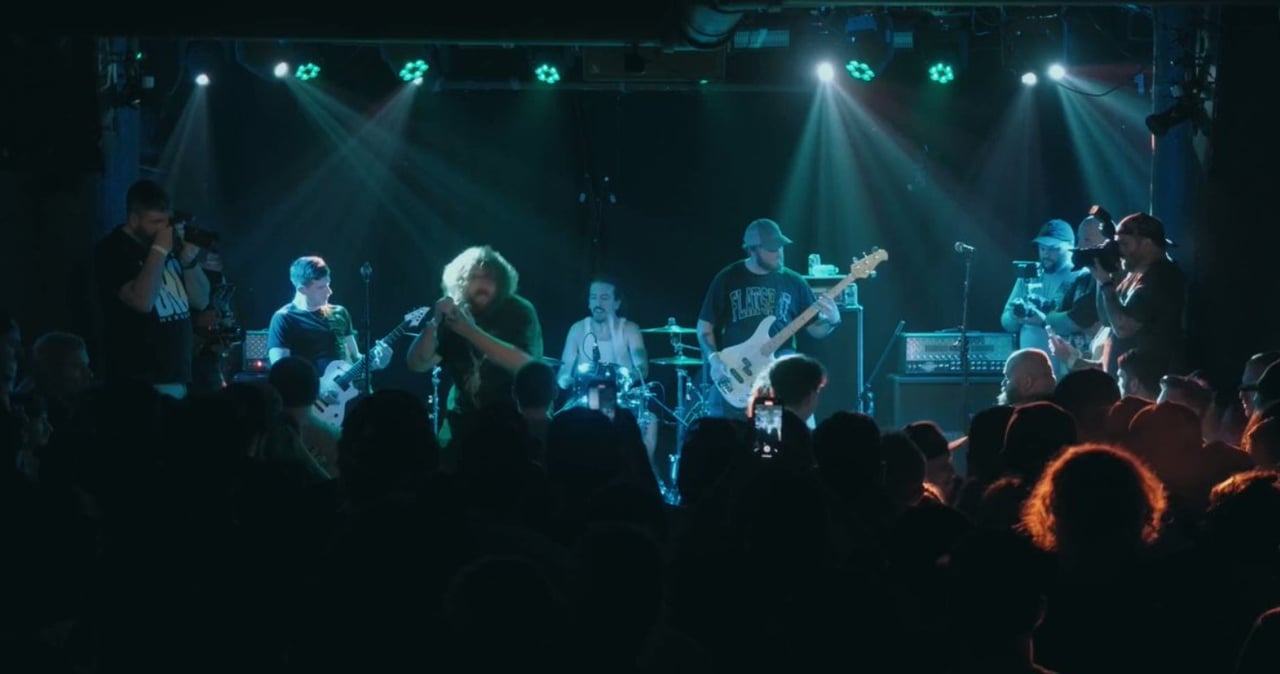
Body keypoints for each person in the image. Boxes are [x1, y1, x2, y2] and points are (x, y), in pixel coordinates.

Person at [696, 218, 841, 420]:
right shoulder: (728, 278)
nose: (779, 253)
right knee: (729, 441)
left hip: (776, 380)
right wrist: (713, 360)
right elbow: (704, 328)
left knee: (768, 443)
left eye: (781, 246)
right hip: (736, 373)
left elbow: (815, 329)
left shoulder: (795, 282)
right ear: (752, 250)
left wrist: (833, 321)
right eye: (772, 248)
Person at [406, 245, 543, 450]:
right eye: (473, 277)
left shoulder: (518, 311)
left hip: (511, 427)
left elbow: (525, 365)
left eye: (488, 276)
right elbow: (417, 363)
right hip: (461, 425)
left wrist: (469, 331)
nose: (481, 283)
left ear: (501, 281)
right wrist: (434, 323)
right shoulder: (456, 313)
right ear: (460, 282)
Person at [94, 180, 210, 398]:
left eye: (165, 222)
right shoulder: (113, 250)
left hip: (178, 378)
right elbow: (142, 301)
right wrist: (159, 249)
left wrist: (189, 261)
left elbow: (201, 300)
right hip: (141, 384)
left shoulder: (167, 248)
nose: (161, 229)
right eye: (155, 222)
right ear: (134, 219)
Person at [267, 256, 391, 393]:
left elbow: (355, 358)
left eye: (328, 284)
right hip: (311, 400)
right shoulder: (284, 319)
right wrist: (317, 391)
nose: (329, 292)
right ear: (302, 290)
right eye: (321, 287)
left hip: (346, 396)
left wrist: (376, 363)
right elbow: (281, 373)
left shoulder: (340, 313)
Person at [1091, 213, 1187, 375]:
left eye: (1125, 244)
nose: (1120, 251)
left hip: (1147, 380)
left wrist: (1106, 284)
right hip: (1128, 380)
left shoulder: (1162, 277)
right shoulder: (1134, 275)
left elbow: (1123, 328)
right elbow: (1108, 320)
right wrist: (1102, 278)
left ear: (1147, 244)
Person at [1000, 219, 1089, 376]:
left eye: (1053, 249)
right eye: (1042, 248)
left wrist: (1042, 320)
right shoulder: (1030, 274)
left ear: (1070, 246)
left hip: (1067, 370)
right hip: (1031, 372)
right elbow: (1006, 321)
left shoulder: (1082, 277)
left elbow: (1077, 323)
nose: (1046, 254)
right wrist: (1016, 316)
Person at [555, 276, 648, 390]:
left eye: (604, 298)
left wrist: (628, 378)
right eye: (593, 297)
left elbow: (642, 368)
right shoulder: (577, 329)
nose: (598, 303)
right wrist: (566, 381)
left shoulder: (630, 329)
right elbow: (564, 370)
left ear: (617, 303)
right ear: (589, 303)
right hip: (586, 397)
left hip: (620, 397)